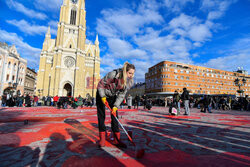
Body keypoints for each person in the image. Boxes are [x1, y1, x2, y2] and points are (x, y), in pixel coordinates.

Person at [96, 62, 135, 148]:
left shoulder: (127, 82)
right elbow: (101, 84)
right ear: (125, 71)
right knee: (101, 115)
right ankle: (102, 139)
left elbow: (121, 95)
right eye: (130, 73)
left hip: (111, 96)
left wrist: (115, 106)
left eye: (133, 73)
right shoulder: (114, 75)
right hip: (101, 93)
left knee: (115, 115)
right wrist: (102, 96)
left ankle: (116, 139)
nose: (131, 75)